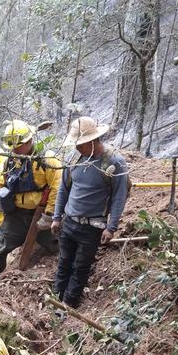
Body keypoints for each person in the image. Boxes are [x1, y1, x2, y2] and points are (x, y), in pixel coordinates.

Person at [51, 116, 128, 309]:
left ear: (93, 140)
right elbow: (63, 189)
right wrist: (56, 216)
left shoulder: (113, 163)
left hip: (92, 226)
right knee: (64, 262)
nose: (77, 148)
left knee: (80, 267)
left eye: (81, 144)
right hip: (69, 221)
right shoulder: (74, 159)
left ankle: (69, 304)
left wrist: (111, 228)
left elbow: (119, 197)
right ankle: (55, 299)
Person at [0, 119, 61, 279]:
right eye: (12, 147)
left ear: (29, 140)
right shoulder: (9, 162)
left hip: (40, 213)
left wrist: (49, 214)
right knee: (1, 246)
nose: (15, 149)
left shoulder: (47, 159)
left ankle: (60, 269)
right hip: (16, 215)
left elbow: (57, 186)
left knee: (55, 243)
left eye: (18, 145)